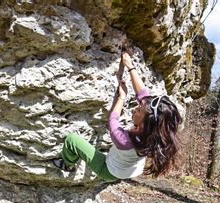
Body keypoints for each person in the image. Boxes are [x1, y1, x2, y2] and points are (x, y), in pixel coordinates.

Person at [52, 50, 183, 181]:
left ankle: (68, 164)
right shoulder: (153, 136)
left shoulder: (124, 140)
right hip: (128, 170)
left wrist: (122, 97)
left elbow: (113, 120)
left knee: (72, 140)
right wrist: (130, 66)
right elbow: (143, 95)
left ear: (144, 125)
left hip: (108, 171)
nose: (136, 108)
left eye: (139, 110)